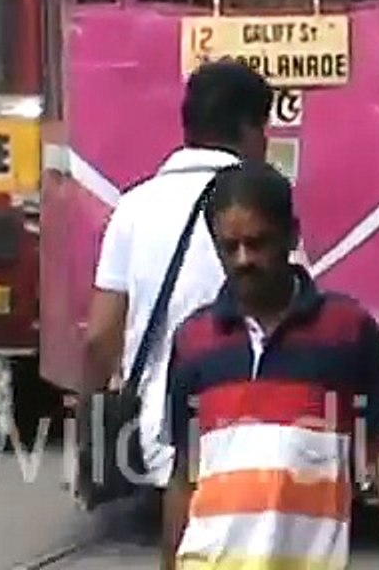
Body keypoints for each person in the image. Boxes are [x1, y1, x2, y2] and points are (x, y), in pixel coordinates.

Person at [162, 161, 379, 570]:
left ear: (291, 235)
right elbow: (183, 475)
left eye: (257, 243)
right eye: (229, 247)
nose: (243, 259)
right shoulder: (193, 341)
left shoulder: (347, 331)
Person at [83, 60, 273, 503]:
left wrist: (91, 428)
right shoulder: (262, 207)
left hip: (153, 444)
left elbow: (98, 338)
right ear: (249, 129)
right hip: (242, 440)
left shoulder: (133, 207)